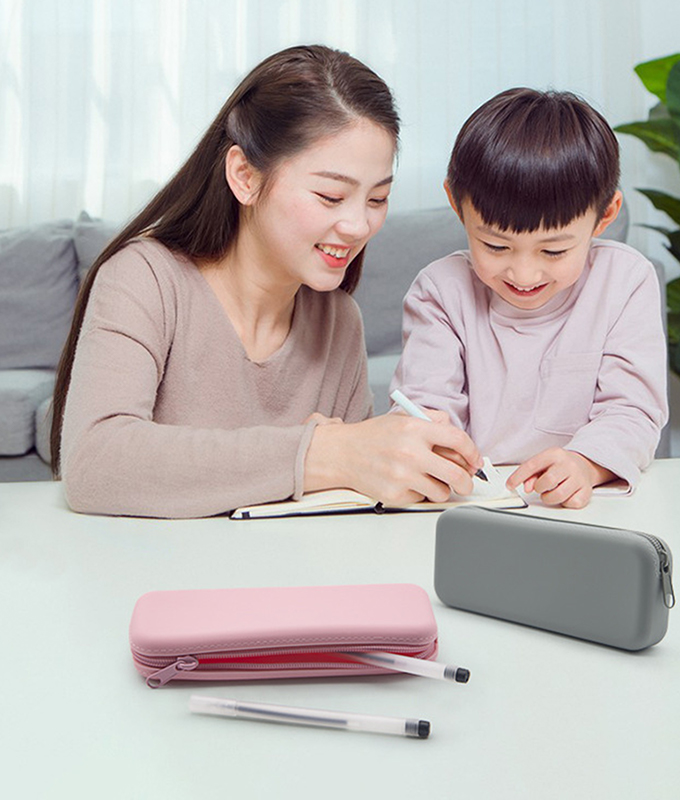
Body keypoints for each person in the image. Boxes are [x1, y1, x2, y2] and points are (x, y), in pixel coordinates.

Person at [51, 44, 482, 518]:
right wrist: (322, 453)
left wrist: (398, 466)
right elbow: (94, 462)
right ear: (244, 176)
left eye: (377, 199)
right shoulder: (145, 280)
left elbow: (349, 502)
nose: (359, 225)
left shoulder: (338, 321)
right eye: (330, 195)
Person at [390, 88, 668, 509]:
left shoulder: (625, 281)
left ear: (605, 215)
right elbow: (426, 406)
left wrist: (587, 463)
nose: (524, 275)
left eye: (553, 251)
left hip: (591, 504)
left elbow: (633, 410)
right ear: (456, 205)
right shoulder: (440, 291)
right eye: (496, 246)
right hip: (472, 505)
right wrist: (434, 444)